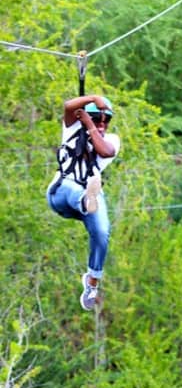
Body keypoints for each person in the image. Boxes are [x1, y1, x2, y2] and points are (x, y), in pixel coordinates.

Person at [46, 95, 121, 309]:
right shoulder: (70, 130)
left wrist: (90, 124)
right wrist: (94, 99)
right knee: (74, 189)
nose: (102, 125)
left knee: (102, 232)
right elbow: (69, 105)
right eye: (98, 119)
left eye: (106, 121)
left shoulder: (111, 140)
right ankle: (85, 199)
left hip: (91, 195)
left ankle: (92, 281)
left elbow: (105, 151)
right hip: (61, 194)